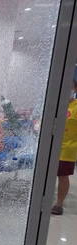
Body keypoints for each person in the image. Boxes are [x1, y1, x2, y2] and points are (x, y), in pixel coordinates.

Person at [51, 80, 77, 215]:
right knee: (47, 174)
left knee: (62, 175)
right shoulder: (56, 105)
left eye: (70, 87)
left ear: (75, 89)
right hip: (51, 145)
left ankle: (59, 204)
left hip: (68, 148)